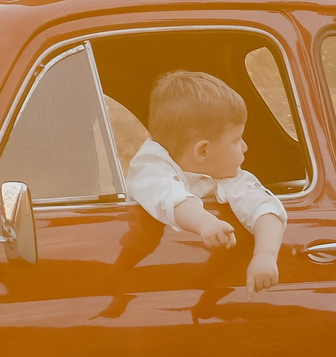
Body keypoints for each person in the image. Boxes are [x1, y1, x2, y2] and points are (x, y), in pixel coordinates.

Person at [122, 70, 288, 290]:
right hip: (136, 269)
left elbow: (265, 208)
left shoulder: (227, 176)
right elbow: (170, 196)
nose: (245, 147)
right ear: (202, 151)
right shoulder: (150, 166)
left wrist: (265, 255)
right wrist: (206, 223)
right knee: (138, 249)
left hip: (190, 279)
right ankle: (113, 282)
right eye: (237, 139)